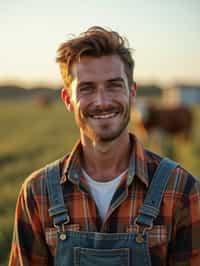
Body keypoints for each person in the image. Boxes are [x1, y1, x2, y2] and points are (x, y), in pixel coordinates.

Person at [9, 26, 200, 266]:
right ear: (68, 100)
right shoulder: (36, 193)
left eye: (114, 85)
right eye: (87, 88)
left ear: (132, 93)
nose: (102, 101)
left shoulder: (182, 190)